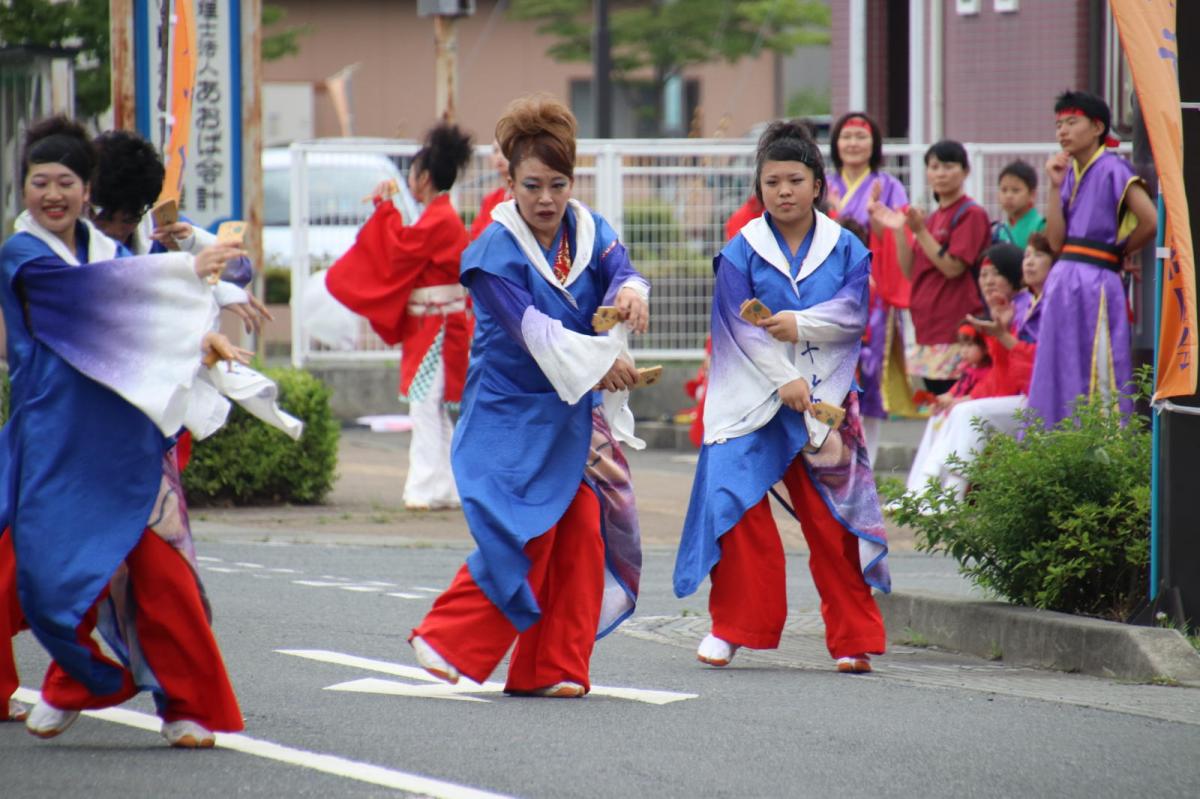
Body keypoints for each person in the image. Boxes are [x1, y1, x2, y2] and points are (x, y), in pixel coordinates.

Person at [0, 117, 247, 747]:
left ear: (88, 189)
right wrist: (191, 269)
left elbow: (146, 319)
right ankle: (75, 680)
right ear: (22, 187)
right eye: (39, 182)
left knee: (165, 576)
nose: (51, 195)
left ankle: (187, 705)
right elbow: (97, 300)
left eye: (66, 183)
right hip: (55, 441)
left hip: (131, 440)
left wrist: (207, 338)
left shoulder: (114, 256)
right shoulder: (24, 255)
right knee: (47, 575)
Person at [408, 95, 650, 698]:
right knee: (528, 527)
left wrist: (633, 292)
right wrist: (603, 364)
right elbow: (536, 335)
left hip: (570, 410)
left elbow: (621, 268)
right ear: (507, 179)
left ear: (574, 179)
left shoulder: (588, 229)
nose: (546, 199)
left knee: (584, 530)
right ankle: (445, 638)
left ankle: (555, 666)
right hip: (509, 412)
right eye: (533, 184)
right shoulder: (493, 252)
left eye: (558, 184)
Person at [673, 120, 890, 675]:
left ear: (818, 183)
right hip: (749, 398)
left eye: (795, 180)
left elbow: (851, 315)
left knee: (833, 519)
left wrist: (801, 323)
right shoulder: (741, 249)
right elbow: (735, 327)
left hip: (826, 397)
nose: (784, 192)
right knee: (733, 503)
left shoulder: (847, 249)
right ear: (759, 188)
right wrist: (780, 378)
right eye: (772, 182)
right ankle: (733, 627)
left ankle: (851, 639)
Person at [322, 123, 474, 510]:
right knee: (434, 408)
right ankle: (443, 486)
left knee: (426, 406)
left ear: (423, 177)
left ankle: (427, 487)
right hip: (437, 324)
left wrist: (385, 209)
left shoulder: (440, 219)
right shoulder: (438, 216)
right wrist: (387, 210)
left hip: (437, 326)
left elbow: (401, 248)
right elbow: (406, 247)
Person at [1027, 90, 1157, 428]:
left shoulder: (1113, 168)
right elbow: (1056, 241)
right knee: (1059, 361)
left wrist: (1119, 251)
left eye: (1072, 122)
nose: (1063, 131)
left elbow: (1150, 219)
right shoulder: (1068, 172)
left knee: (1099, 363)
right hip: (1064, 276)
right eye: (1058, 125)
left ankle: (1103, 442)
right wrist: (1054, 187)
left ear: (1097, 126)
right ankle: (1056, 436)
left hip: (1097, 279)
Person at [89, 129, 269, 335]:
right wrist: (207, 285)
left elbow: (240, 271)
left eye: (128, 220)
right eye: (102, 219)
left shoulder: (162, 228)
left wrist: (194, 242)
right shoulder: (70, 235)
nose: (114, 231)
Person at [905, 243, 1030, 498]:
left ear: (1013, 274)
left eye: (995, 273)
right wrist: (960, 397)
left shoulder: (1024, 310)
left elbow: (1017, 372)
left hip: (1029, 397)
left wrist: (968, 398)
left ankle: (950, 496)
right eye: (983, 275)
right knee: (943, 413)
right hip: (1009, 395)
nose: (988, 281)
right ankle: (918, 491)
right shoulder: (1002, 310)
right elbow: (998, 374)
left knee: (964, 412)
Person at [827, 111, 915, 462]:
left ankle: (868, 461)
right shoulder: (823, 184)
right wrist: (831, 211)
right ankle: (831, 462)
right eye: (846, 136)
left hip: (875, 294)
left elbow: (900, 240)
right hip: (829, 291)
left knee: (871, 378)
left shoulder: (890, 187)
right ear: (836, 144)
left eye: (861, 137)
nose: (853, 143)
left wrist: (881, 224)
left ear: (874, 144)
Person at [889, 140, 991, 396]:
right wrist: (900, 230)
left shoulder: (971, 214)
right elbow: (911, 271)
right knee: (937, 402)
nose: (941, 173)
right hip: (928, 328)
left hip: (956, 329)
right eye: (934, 166)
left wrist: (920, 231)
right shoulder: (932, 218)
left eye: (949, 166)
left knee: (955, 401)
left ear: (965, 172)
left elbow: (953, 268)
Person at [993, 160, 1046, 248]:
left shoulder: (1040, 225)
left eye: (1015, 190)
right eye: (1004, 190)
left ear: (1032, 195)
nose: (1008, 196)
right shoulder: (1000, 230)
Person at [469, 139, 510, 241]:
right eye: (496, 151)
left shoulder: (522, 197)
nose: (500, 156)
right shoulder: (490, 199)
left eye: (505, 151)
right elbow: (475, 234)